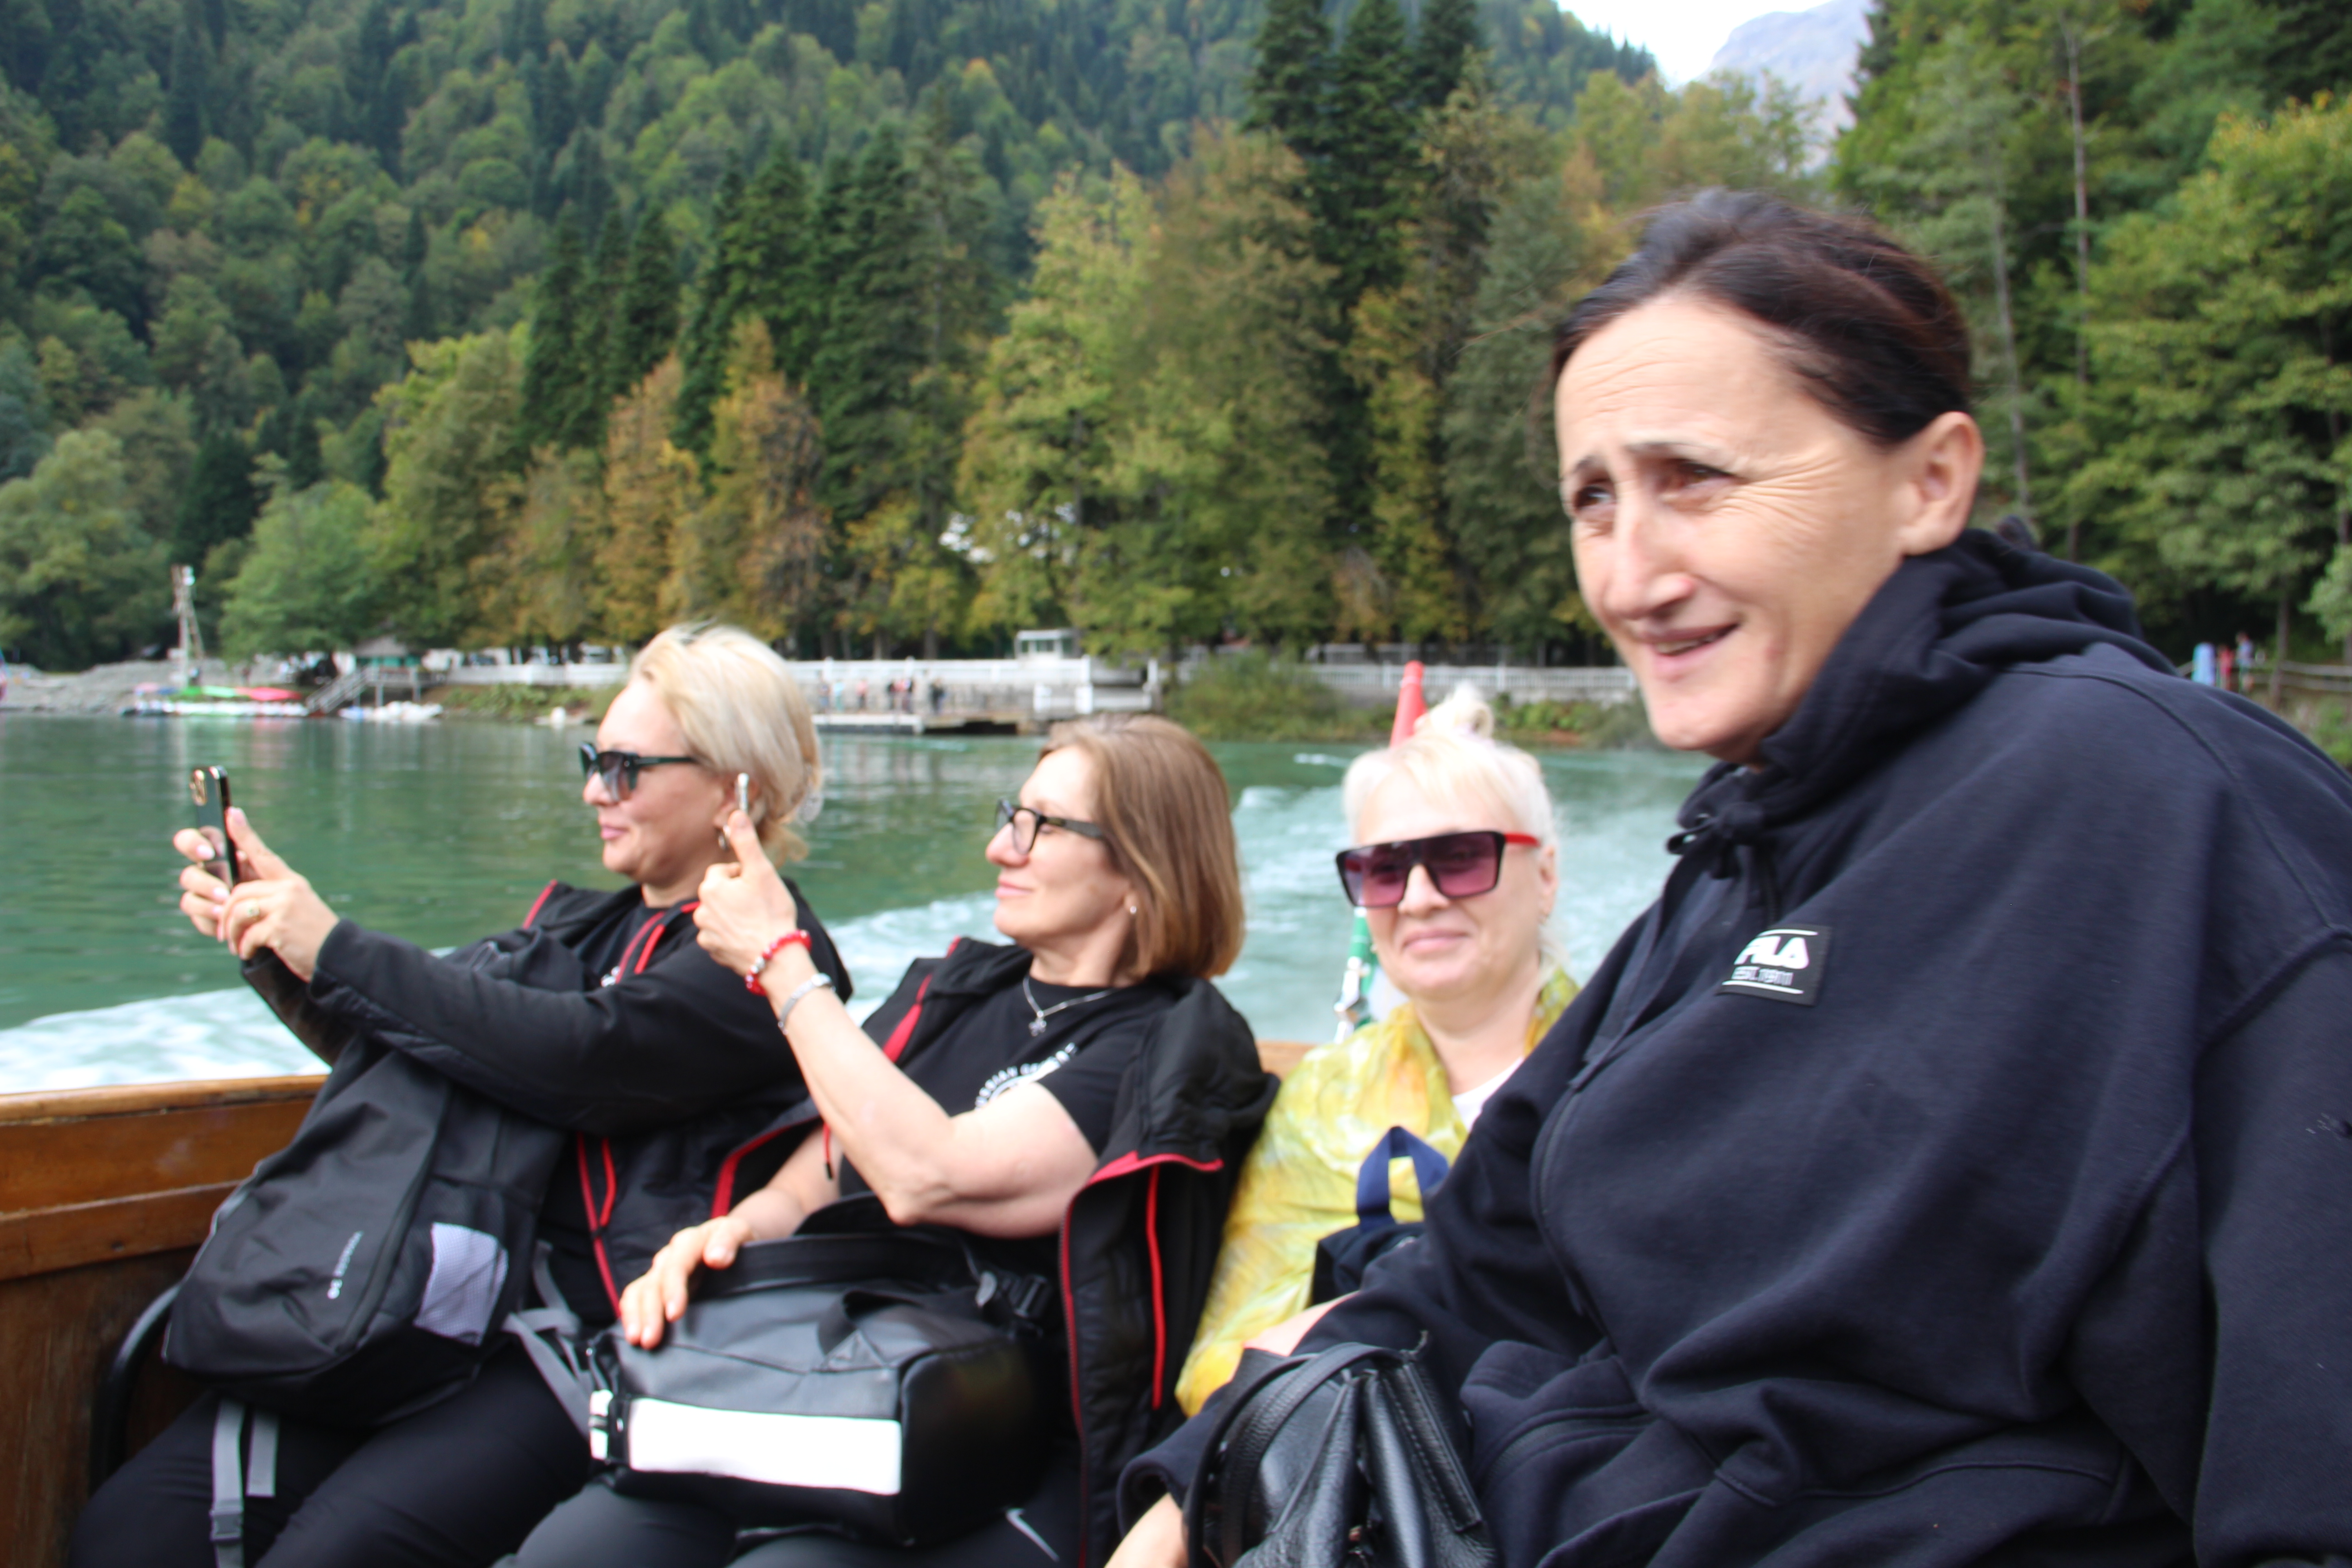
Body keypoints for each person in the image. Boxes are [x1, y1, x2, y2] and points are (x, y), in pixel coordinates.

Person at [1113, 190, 2352, 1568]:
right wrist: (1186, 1496)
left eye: (1695, 478)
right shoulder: (1734, 863)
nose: (1630, 579)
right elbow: (1480, 1267)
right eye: (1594, 500)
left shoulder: (2172, 815)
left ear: (1931, 481)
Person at [75, 623, 853, 1568]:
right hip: (428, 1298)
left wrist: (337, 945)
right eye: (593, 762)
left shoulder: (771, 964)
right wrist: (281, 948)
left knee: (334, 1555)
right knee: (130, 1530)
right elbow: (440, 1053)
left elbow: (584, 1060)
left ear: (739, 789)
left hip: (581, 1346)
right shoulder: (573, 927)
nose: (593, 792)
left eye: (625, 769)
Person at [510, 713, 1273, 1568]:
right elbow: (811, 1181)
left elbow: (927, 1174)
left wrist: (780, 961)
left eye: (1043, 826)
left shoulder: (1167, 1049)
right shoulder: (954, 994)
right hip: (834, 1393)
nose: (1000, 848)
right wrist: (726, 1238)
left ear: (1142, 865)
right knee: (571, 1552)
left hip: (995, 1453)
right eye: (1010, 816)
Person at [1172, 687, 1576, 1412]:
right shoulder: (1324, 1101)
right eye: (1386, 870)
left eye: (1461, 858)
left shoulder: (1625, 1072)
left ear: (1545, 877)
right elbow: (1224, 1367)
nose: (1418, 899)